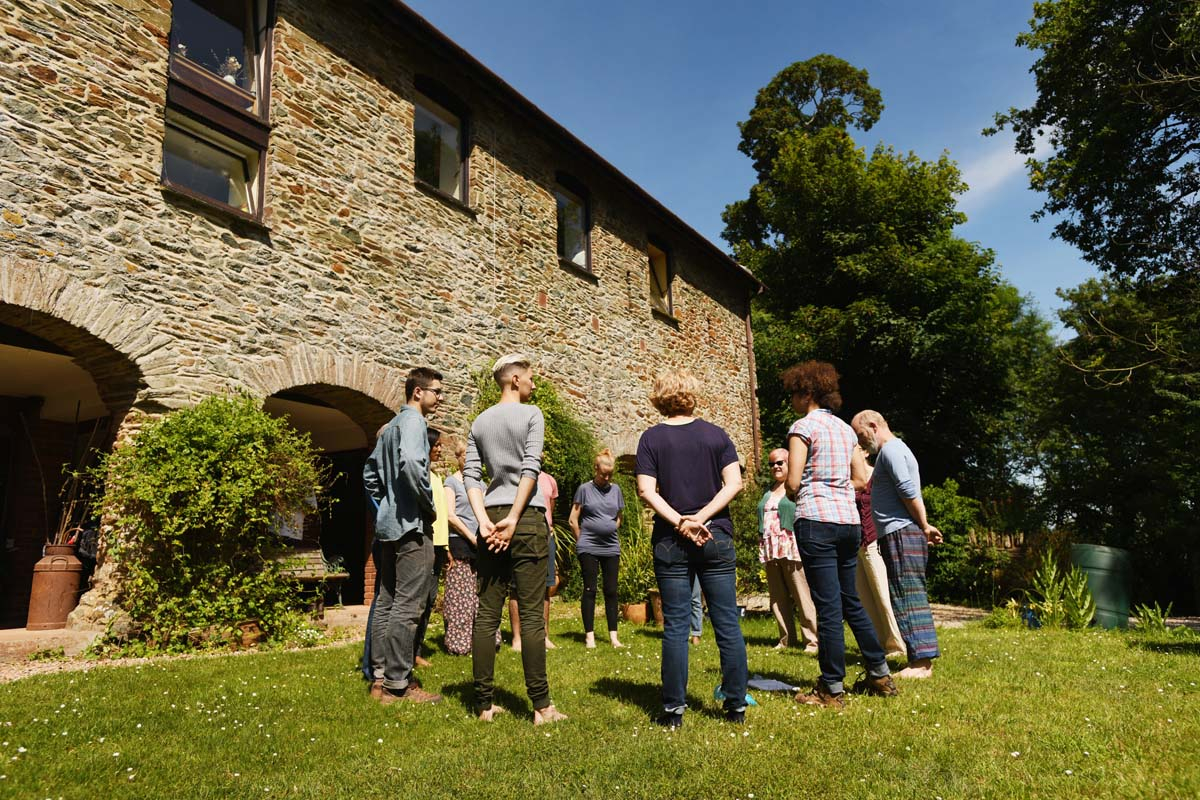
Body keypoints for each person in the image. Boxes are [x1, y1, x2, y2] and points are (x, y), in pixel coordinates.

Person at [635, 368, 748, 728]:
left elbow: (646, 491)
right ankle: (735, 706)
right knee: (727, 622)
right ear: (693, 395)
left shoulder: (651, 439)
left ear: (660, 399)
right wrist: (699, 519)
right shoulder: (716, 436)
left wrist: (682, 521)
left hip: (671, 540)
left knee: (676, 627)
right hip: (715, 536)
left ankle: (672, 711)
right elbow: (734, 484)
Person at [783, 361, 896, 709]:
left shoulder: (802, 427)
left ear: (806, 393)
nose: (791, 400)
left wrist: (805, 490)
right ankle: (879, 674)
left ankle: (831, 688)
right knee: (851, 600)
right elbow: (862, 480)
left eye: (793, 393)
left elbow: (791, 481)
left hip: (816, 520)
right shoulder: (846, 432)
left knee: (829, 608)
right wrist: (836, 487)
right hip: (848, 523)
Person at [465, 354, 567, 725]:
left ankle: (483, 705)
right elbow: (530, 467)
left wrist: (485, 523)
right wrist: (513, 517)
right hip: (524, 519)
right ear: (513, 379)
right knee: (531, 615)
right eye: (529, 378)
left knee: (487, 614)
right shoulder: (531, 414)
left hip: (490, 518)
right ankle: (542, 707)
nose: (534, 385)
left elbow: (471, 477)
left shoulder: (479, 421)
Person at [362, 366, 445, 705]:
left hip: (389, 528)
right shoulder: (413, 423)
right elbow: (412, 462)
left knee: (385, 601)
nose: (440, 398)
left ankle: (379, 680)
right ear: (417, 393)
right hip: (412, 527)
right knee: (408, 605)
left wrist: (386, 507)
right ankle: (398, 684)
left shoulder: (388, 428)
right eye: (436, 391)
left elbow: (369, 475)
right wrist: (425, 503)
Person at [851, 410, 943, 679]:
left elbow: (908, 491)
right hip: (899, 532)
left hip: (901, 532)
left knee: (908, 595)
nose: (861, 442)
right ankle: (919, 658)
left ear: (873, 425)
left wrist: (925, 525)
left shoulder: (891, 451)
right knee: (905, 594)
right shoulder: (895, 450)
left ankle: (921, 664)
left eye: (861, 434)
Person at [757, 448, 819, 652]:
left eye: (780, 463)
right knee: (777, 596)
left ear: (789, 463)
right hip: (770, 547)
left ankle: (812, 640)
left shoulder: (796, 486)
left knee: (802, 594)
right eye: (771, 464)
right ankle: (785, 638)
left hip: (791, 546)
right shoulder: (769, 489)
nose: (775, 466)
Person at [852, 444, 906, 657]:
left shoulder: (878, 476)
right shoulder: (850, 479)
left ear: (865, 452)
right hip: (857, 544)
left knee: (884, 595)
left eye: (853, 448)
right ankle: (881, 644)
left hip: (876, 542)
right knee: (866, 599)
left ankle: (898, 645)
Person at [569, 448, 625, 649]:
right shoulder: (584, 489)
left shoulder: (616, 490)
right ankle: (589, 636)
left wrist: (611, 528)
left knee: (611, 590)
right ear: (596, 469)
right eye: (603, 474)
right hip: (589, 546)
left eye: (610, 474)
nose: (607, 477)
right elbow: (573, 519)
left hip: (611, 546)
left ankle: (613, 637)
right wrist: (581, 540)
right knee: (590, 589)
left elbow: (619, 516)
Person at [442, 433, 485, 656]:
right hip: (461, 544)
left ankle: (485, 641)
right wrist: (471, 537)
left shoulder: (481, 485)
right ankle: (459, 644)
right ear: (458, 458)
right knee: (461, 598)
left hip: (481, 545)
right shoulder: (451, 482)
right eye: (466, 456)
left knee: (480, 597)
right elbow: (450, 515)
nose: (469, 460)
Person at [511, 470, 560, 652]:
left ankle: (544, 635)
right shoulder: (517, 476)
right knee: (516, 587)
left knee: (546, 586)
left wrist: (549, 527)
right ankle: (517, 638)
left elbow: (550, 506)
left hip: (546, 536)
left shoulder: (549, 480)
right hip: (521, 534)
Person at [413, 428, 449, 668]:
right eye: (435, 445)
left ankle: (416, 649)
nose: (439, 449)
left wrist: (445, 547)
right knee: (418, 599)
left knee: (429, 599)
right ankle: (410, 652)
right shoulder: (421, 476)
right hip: (424, 542)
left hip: (438, 545)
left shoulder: (436, 477)